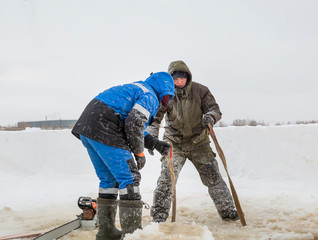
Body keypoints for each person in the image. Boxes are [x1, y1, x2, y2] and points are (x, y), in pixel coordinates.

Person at [72, 72, 175, 240]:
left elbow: (130, 123)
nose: (166, 101)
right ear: (164, 90)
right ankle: (132, 235)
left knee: (109, 181)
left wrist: (155, 143)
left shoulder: (137, 88)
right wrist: (139, 153)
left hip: (88, 127)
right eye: (168, 97)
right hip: (105, 126)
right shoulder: (150, 96)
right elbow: (134, 123)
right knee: (130, 179)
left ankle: (107, 233)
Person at [147, 60, 239, 223]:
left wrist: (210, 117)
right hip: (173, 142)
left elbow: (214, 109)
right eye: (175, 78)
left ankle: (228, 210)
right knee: (167, 178)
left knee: (213, 177)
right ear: (171, 79)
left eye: (182, 78)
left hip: (199, 142)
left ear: (187, 77)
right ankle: (159, 214)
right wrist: (151, 137)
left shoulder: (201, 91)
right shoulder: (166, 93)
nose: (179, 81)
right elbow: (155, 118)